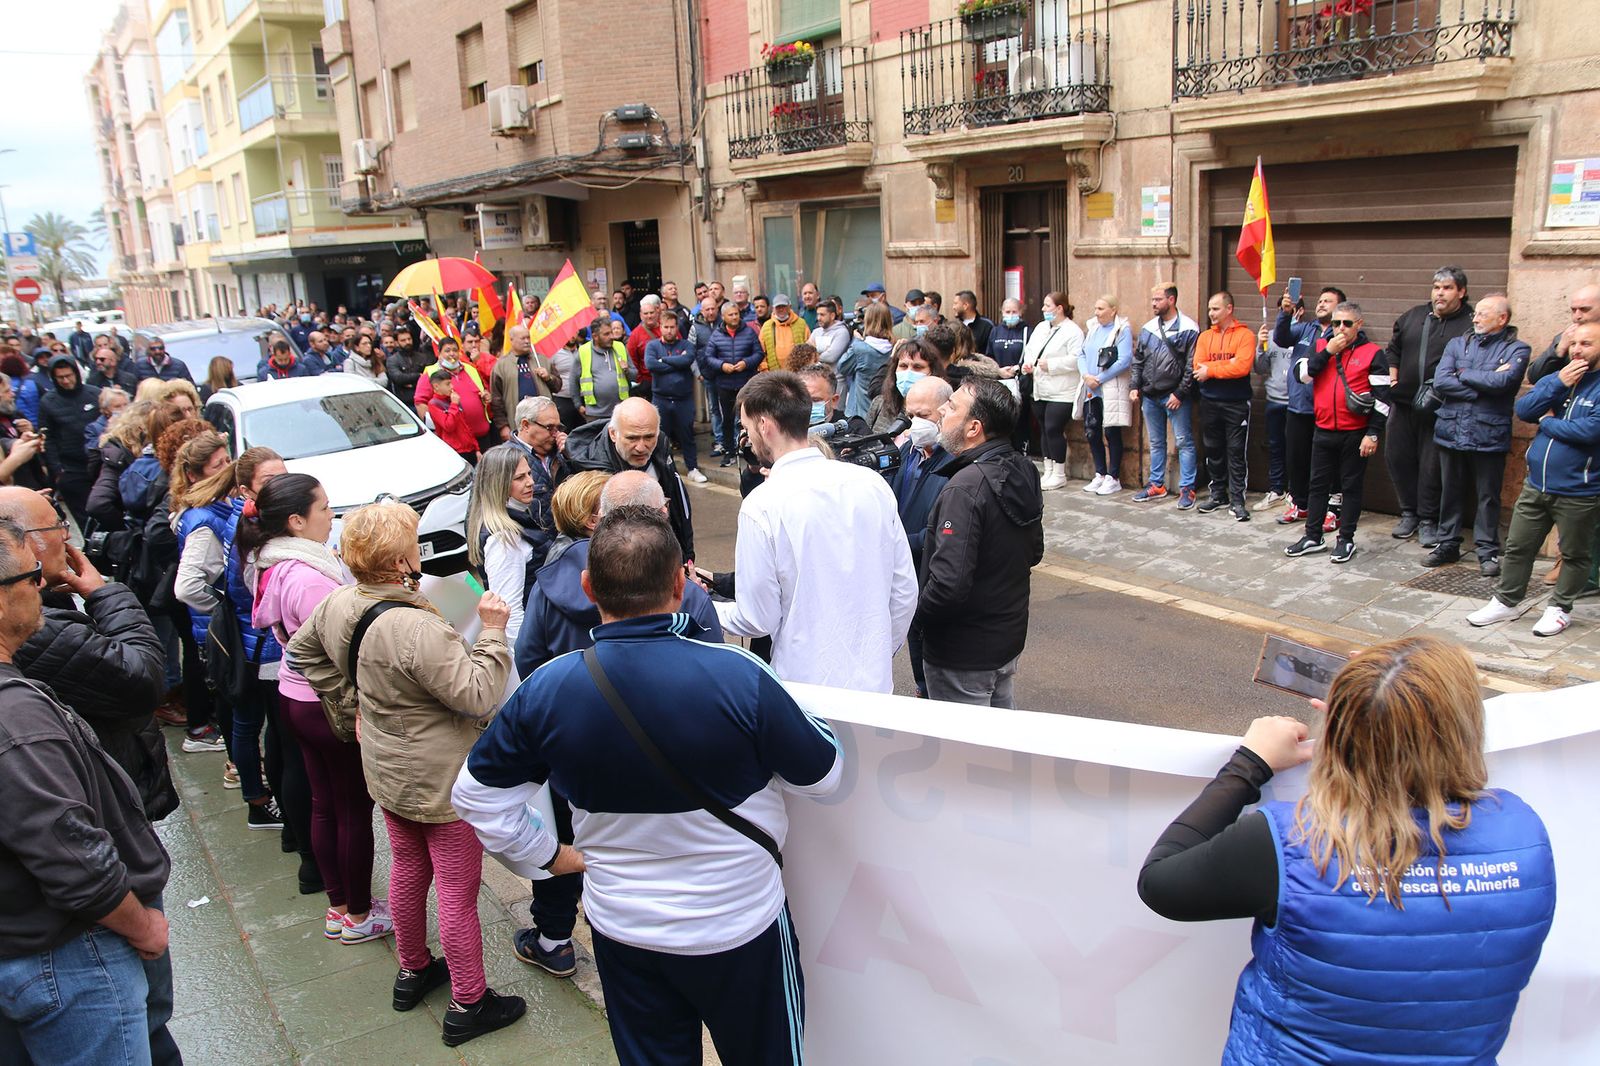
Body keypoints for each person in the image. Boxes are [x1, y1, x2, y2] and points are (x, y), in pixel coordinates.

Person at [453, 504, 840, 1066]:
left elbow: (476, 798)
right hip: (738, 928)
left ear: (589, 587)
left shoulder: (547, 689)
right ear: (680, 583)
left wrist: (548, 855)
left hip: (624, 930)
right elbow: (826, 776)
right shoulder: (739, 675)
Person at [1138, 636, 1555, 1065]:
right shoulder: (1524, 832)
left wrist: (1249, 763)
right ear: (1464, 729)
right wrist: (1396, 693)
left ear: (1338, 735)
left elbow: (1160, 883)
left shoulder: (1291, 841)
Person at [288, 502, 525, 1046]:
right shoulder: (418, 627)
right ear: (401, 561)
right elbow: (477, 694)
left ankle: (413, 970)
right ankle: (469, 1001)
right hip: (442, 779)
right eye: (415, 542)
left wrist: (350, 700)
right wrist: (492, 632)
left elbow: (301, 653)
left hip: (387, 769)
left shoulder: (339, 601)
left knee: (408, 868)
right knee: (458, 892)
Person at [0, 520, 180, 1066]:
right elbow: (68, 851)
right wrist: (140, 922)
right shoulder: (17, 720)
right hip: (70, 958)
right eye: (31, 578)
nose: (41, 588)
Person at [242, 472, 391, 943]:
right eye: (324, 508)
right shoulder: (307, 576)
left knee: (326, 804)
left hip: (295, 695)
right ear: (296, 521)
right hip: (324, 703)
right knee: (349, 809)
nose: (332, 516)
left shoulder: (282, 564)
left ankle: (340, 906)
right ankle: (361, 915)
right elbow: (339, 646)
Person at [716, 372, 917, 692]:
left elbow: (757, 619)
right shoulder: (872, 485)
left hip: (803, 690)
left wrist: (703, 607)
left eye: (746, 427)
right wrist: (877, 652)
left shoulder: (762, 505)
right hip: (874, 686)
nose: (747, 438)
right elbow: (904, 590)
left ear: (764, 425)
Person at [1, 487, 176, 822]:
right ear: (21, 542)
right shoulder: (37, 630)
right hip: (109, 805)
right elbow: (142, 678)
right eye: (56, 526)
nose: (67, 536)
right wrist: (105, 595)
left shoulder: (40, 604)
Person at [915, 377, 1044, 706]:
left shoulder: (965, 487)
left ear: (974, 428)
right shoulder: (1024, 468)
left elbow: (948, 585)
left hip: (962, 655)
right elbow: (1033, 551)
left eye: (953, 406)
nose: (943, 410)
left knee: (963, 752)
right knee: (997, 748)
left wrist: (915, 619)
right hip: (1006, 640)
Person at [1466, 320, 1600, 637]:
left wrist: (1548, 423)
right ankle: (1506, 601)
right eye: (1575, 344)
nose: (1578, 350)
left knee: (1575, 554)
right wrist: (1556, 386)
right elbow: (1524, 408)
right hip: (1536, 484)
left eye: (1588, 344)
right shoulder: (1561, 377)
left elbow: (1591, 432)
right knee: (1517, 547)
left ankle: (1560, 609)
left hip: (1579, 491)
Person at [1426, 294, 1530, 575]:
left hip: (1489, 434)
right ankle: (1447, 544)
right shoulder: (1458, 343)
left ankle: (1487, 551)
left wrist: (1465, 374)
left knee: (1488, 496)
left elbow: (1505, 382)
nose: (1475, 318)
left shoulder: (1517, 349)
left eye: (1483, 314)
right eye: (1476, 314)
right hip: (1452, 429)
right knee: (1451, 491)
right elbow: (1442, 380)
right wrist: (1481, 385)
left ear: (1502, 318)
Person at [1283, 302, 1391, 565]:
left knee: (1350, 488)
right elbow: (1301, 375)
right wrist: (1328, 352)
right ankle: (1313, 536)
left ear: (1359, 325)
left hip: (1355, 433)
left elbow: (1383, 399)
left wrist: (1373, 433)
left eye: (1347, 323)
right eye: (1335, 323)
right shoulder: (1321, 346)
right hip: (1323, 429)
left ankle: (1346, 540)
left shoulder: (1373, 353)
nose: (1340, 328)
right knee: (1317, 485)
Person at [1384, 266, 1475, 544]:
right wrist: (1393, 376)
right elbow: (1394, 350)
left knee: (1431, 467)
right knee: (1398, 459)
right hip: (1403, 405)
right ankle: (1408, 512)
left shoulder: (1470, 324)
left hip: (1442, 409)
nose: (1440, 293)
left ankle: (1428, 519)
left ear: (1461, 292)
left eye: (1447, 288)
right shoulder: (1413, 317)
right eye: (1436, 288)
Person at [565, 397, 696, 562]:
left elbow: (679, 506)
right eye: (632, 438)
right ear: (613, 434)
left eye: (649, 437)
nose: (641, 447)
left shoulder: (661, 446)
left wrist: (686, 556)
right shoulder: (589, 470)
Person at [889, 377, 953, 698]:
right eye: (909, 414)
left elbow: (943, 531)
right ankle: (922, 689)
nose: (915, 423)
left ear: (946, 411)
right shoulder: (909, 453)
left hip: (933, 574)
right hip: (908, 574)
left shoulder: (956, 463)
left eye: (924, 415)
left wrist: (898, 544)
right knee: (916, 642)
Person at [1271, 285, 1343, 526]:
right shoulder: (1305, 328)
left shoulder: (1341, 334)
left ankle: (1330, 510)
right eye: (1320, 300)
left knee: (1325, 463)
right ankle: (1300, 504)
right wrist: (1285, 312)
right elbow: (1280, 337)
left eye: (1328, 301)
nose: (1321, 304)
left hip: (1326, 410)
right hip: (1298, 407)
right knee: (1296, 459)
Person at [467, 445, 541, 645]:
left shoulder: (514, 516)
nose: (530, 482)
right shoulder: (503, 538)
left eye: (529, 473)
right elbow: (509, 611)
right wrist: (523, 667)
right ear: (497, 483)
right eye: (519, 478)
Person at [1194, 291, 1258, 521]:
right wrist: (1225, 364)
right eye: (1210, 309)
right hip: (1209, 402)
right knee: (1213, 450)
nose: (1211, 313)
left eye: (1216, 309)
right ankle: (1218, 494)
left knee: (1236, 452)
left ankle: (1237, 501)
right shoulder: (1204, 337)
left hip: (1236, 404)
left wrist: (1211, 369)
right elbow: (1197, 366)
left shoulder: (1245, 335)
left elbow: (1241, 367)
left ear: (1229, 309)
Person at [1021, 291, 1084, 492]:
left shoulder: (1073, 331)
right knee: (1043, 428)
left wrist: (1052, 365)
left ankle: (1058, 472)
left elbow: (1076, 359)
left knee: (1053, 428)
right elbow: (1030, 350)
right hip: (1040, 388)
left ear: (1059, 308)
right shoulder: (1041, 327)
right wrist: (1028, 364)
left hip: (1062, 390)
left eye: (1048, 306)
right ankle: (1047, 470)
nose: (1043, 309)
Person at [1079, 296, 1134, 496]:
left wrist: (1100, 378)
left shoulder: (1122, 330)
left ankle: (1113, 477)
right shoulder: (1092, 328)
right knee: (1092, 431)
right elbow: (1082, 354)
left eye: (1101, 308)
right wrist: (1086, 375)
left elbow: (1124, 359)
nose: (1096, 312)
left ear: (1113, 310)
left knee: (1111, 433)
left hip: (1109, 388)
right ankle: (1100, 473)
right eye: (1095, 308)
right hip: (1091, 388)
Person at [643, 311, 707, 484]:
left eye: (672, 327)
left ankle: (692, 468)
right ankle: (658, 470)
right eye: (666, 327)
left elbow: (686, 361)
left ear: (677, 327)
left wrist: (663, 361)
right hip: (661, 399)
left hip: (683, 399)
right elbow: (651, 365)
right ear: (660, 327)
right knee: (659, 437)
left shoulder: (686, 344)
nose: (669, 330)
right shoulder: (652, 346)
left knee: (687, 435)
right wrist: (673, 362)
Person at [39, 353, 101, 524]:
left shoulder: (94, 394)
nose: (66, 381)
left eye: (68, 376)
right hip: (70, 468)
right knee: (84, 517)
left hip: (98, 463)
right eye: (60, 377)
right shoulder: (48, 401)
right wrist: (57, 470)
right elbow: (47, 437)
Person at [700, 300, 764, 466]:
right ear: (724, 317)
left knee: (749, 418)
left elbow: (758, 353)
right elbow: (708, 357)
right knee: (727, 419)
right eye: (731, 314)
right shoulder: (716, 335)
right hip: (725, 384)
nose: (735, 317)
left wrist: (746, 363)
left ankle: (751, 449)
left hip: (745, 383)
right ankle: (729, 451)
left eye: (736, 314)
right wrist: (722, 365)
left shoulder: (749, 332)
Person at [416, 337, 491, 446]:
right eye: (447, 350)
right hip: (456, 442)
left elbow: (483, 390)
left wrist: (486, 396)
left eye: (455, 350)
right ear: (439, 353)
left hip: (482, 436)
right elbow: (420, 403)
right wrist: (435, 430)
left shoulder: (470, 369)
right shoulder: (431, 373)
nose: (452, 354)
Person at [865, 337, 947, 436]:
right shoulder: (880, 403)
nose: (908, 372)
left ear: (932, 372)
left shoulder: (942, 411)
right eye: (903, 366)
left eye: (917, 367)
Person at [838, 303, 896, 421]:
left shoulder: (859, 348)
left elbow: (842, 367)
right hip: (885, 413)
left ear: (867, 321)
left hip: (858, 414)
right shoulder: (895, 349)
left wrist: (855, 341)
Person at [575, 319, 636, 422]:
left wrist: (627, 370)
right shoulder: (583, 352)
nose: (612, 336)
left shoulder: (620, 347)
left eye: (611, 332)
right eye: (606, 334)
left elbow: (634, 376)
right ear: (595, 336)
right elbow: (573, 380)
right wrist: (578, 405)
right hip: (595, 414)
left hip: (620, 411)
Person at [424, 370, 482, 464]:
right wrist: (454, 405)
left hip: (469, 448)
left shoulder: (451, 399)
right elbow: (449, 426)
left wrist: (476, 448)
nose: (452, 387)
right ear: (436, 386)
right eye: (448, 384)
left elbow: (465, 426)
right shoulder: (434, 404)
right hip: (456, 450)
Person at [623, 294, 661, 403]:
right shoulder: (635, 335)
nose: (649, 316)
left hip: (667, 381)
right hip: (647, 384)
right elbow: (632, 361)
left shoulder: (667, 327)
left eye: (651, 313)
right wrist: (641, 383)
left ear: (657, 313)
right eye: (646, 313)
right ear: (640, 315)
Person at [759, 293, 810, 372]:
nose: (781, 309)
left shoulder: (801, 324)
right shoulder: (767, 326)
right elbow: (761, 350)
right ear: (773, 309)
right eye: (778, 307)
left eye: (783, 306)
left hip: (799, 371)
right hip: (775, 373)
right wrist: (764, 368)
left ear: (790, 307)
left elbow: (809, 347)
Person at [384, 330, 434, 400]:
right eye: (403, 340)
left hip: (424, 396)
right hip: (405, 399)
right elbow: (398, 378)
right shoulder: (392, 360)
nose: (407, 342)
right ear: (396, 343)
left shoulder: (422, 357)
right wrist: (419, 376)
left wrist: (412, 382)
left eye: (409, 339)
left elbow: (430, 375)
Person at [952, 289, 993, 355]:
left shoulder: (987, 326)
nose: (953, 307)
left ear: (965, 305)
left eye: (955, 303)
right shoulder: (955, 325)